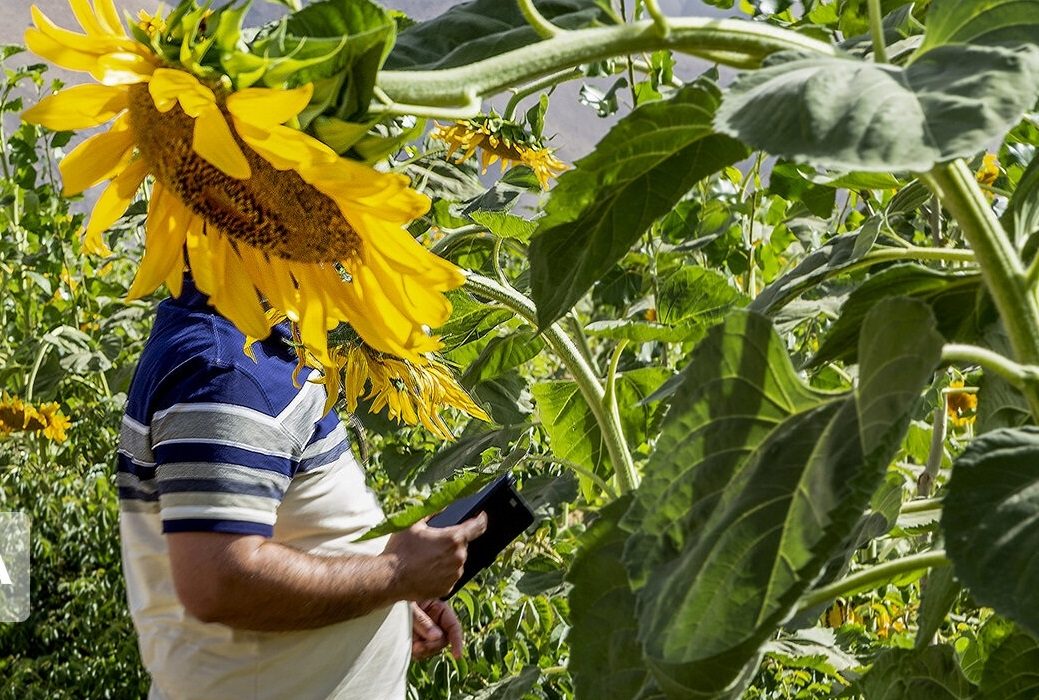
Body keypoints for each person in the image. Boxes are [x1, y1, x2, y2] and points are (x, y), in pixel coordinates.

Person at [116, 274, 487, 699]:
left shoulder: (260, 348)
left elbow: (291, 536)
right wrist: (394, 574)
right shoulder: (231, 371)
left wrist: (388, 597)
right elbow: (219, 582)